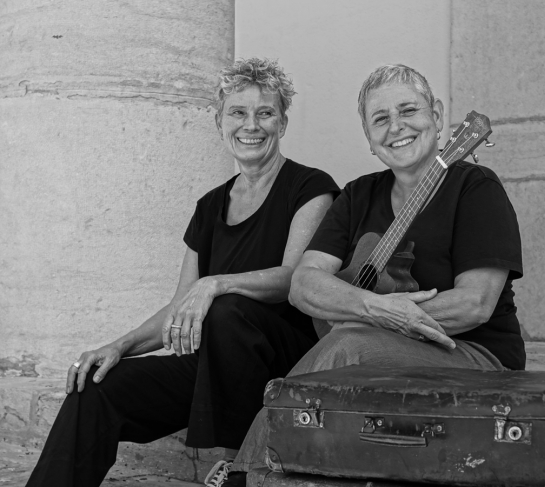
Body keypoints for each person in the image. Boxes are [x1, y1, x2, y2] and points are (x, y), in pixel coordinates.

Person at [26, 58, 340, 487]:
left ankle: (239, 466)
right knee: (95, 388)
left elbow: (296, 278)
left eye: (265, 112)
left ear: (282, 123)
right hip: (214, 365)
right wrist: (119, 346)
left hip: (285, 363)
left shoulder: (310, 187)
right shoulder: (210, 206)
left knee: (228, 307)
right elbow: (181, 306)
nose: (252, 125)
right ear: (219, 121)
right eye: (238, 112)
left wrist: (216, 284)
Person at [233, 64, 524, 475]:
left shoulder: (475, 188)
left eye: (408, 111)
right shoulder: (357, 195)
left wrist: (367, 321)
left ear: (437, 117)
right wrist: (374, 308)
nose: (396, 127)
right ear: (369, 139)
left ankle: (246, 475)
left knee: (349, 345)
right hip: (384, 352)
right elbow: (303, 284)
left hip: (475, 357)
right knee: (343, 341)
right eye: (380, 119)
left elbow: (474, 305)